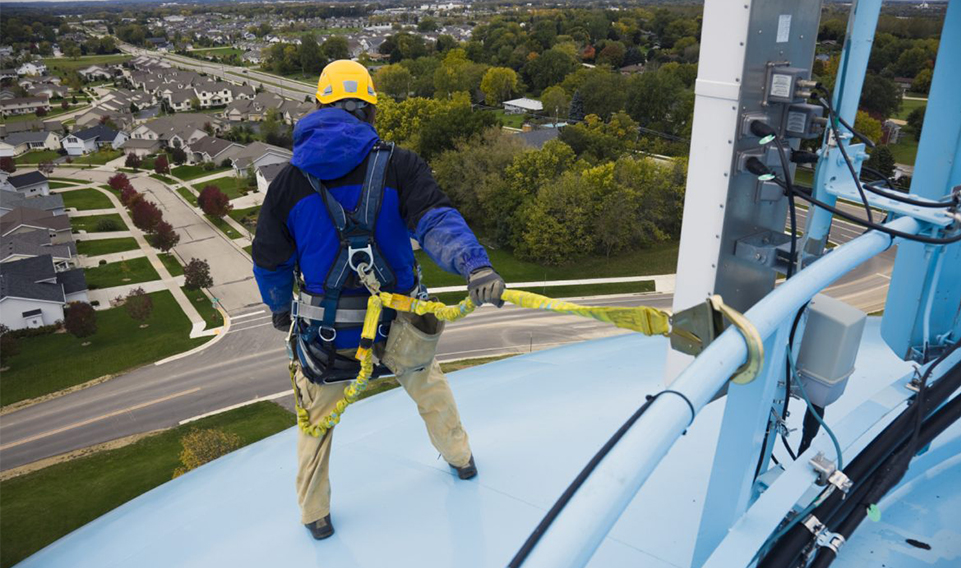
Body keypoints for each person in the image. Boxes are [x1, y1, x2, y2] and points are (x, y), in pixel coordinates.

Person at [252, 60, 506, 541]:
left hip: (329, 338)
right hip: (401, 325)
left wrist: (281, 308)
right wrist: (475, 265)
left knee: (316, 423)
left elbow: (270, 262)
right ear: (369, 110)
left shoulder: (289, 182)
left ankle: (315, 515)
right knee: (430, 389)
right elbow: (435, 220)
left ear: (321, 107)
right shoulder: (399, 164)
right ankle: (462, 460)